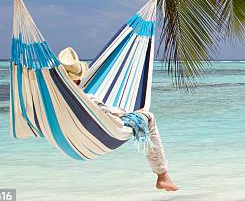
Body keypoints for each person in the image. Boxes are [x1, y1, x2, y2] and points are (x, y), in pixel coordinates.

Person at [58, 47, 178, 192]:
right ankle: (162, 175)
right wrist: (129, 113)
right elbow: (105, 113)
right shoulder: (86, 100)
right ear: (78, 80)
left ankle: (163, 176)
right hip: (97, 133)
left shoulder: (51, 100)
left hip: (67, 138)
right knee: (148, 118)